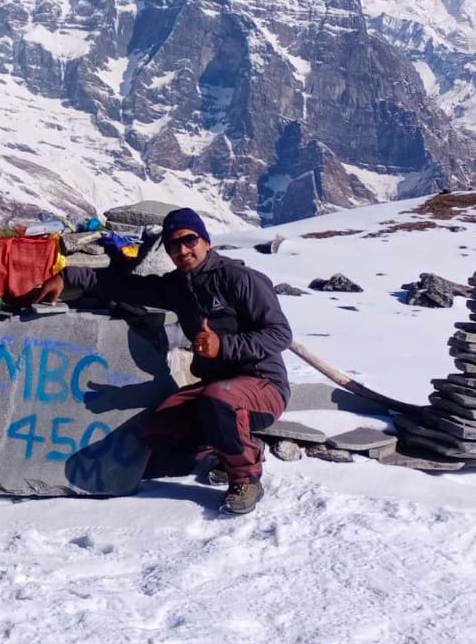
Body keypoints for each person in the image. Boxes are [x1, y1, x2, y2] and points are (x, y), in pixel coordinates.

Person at [36, 207, 292, 515]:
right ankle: (234, 450)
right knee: (161, 425)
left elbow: (280, 334)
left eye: (189, 240)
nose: (182, 250)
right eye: (173, 244)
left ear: (206, 241)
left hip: (263, 384)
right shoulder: (179, 286)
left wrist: (224, 345)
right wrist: (68, 276)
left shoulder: (240, 279)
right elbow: (124, 286)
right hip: (218, 387)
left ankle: (245, 478)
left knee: (218, 400)